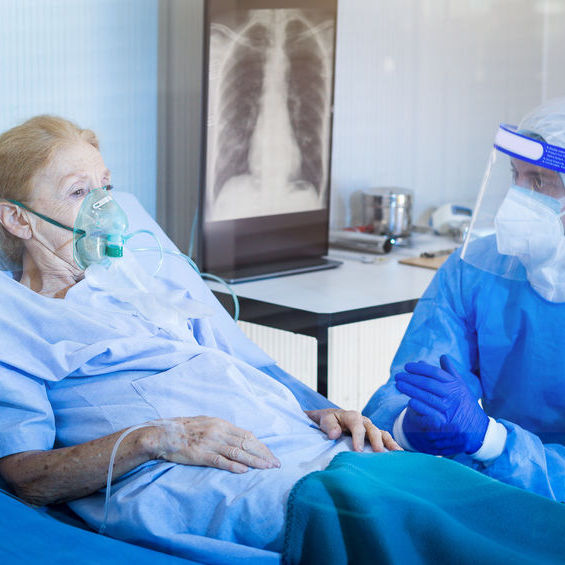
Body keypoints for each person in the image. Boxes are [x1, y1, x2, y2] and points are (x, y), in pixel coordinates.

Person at [0, 115, 400, 564]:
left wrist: (315, 414)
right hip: (210, 476)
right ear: (18, 218)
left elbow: (225, 377)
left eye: (105, 189)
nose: (105, 210)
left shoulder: (141, 281)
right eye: (79, 192)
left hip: (299, 441)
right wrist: (153, 439)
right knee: (383, 516)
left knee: (424, 481)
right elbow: (21, 475)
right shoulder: (14, 316)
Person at [363, 97, 565, 503]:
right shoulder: (477, 269)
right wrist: (409, 422)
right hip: (493, 485)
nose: (519, 198)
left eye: (540, 181)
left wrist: (492, 440)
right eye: (516, 177)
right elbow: (407, 384)